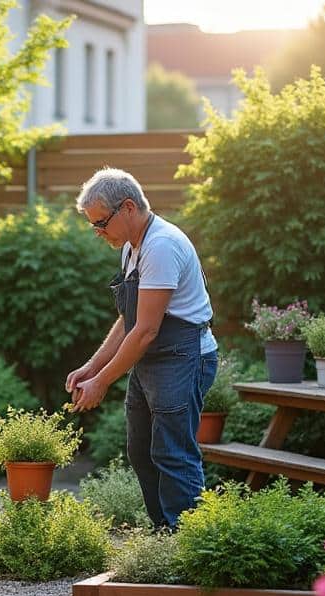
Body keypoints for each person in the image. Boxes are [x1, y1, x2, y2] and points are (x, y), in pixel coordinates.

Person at [67, 168, 219, 530]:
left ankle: (189, 539)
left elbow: (147, 329)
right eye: (93, 225)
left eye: (101, 223)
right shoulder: (132, 248)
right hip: (151, 360)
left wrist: (102, 382)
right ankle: (163, 531)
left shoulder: (162, 245)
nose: (98, 232)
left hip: (184, 358)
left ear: (129, 207)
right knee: (140, 450)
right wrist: (92, 367)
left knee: (173, 453)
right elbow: (128, 321)